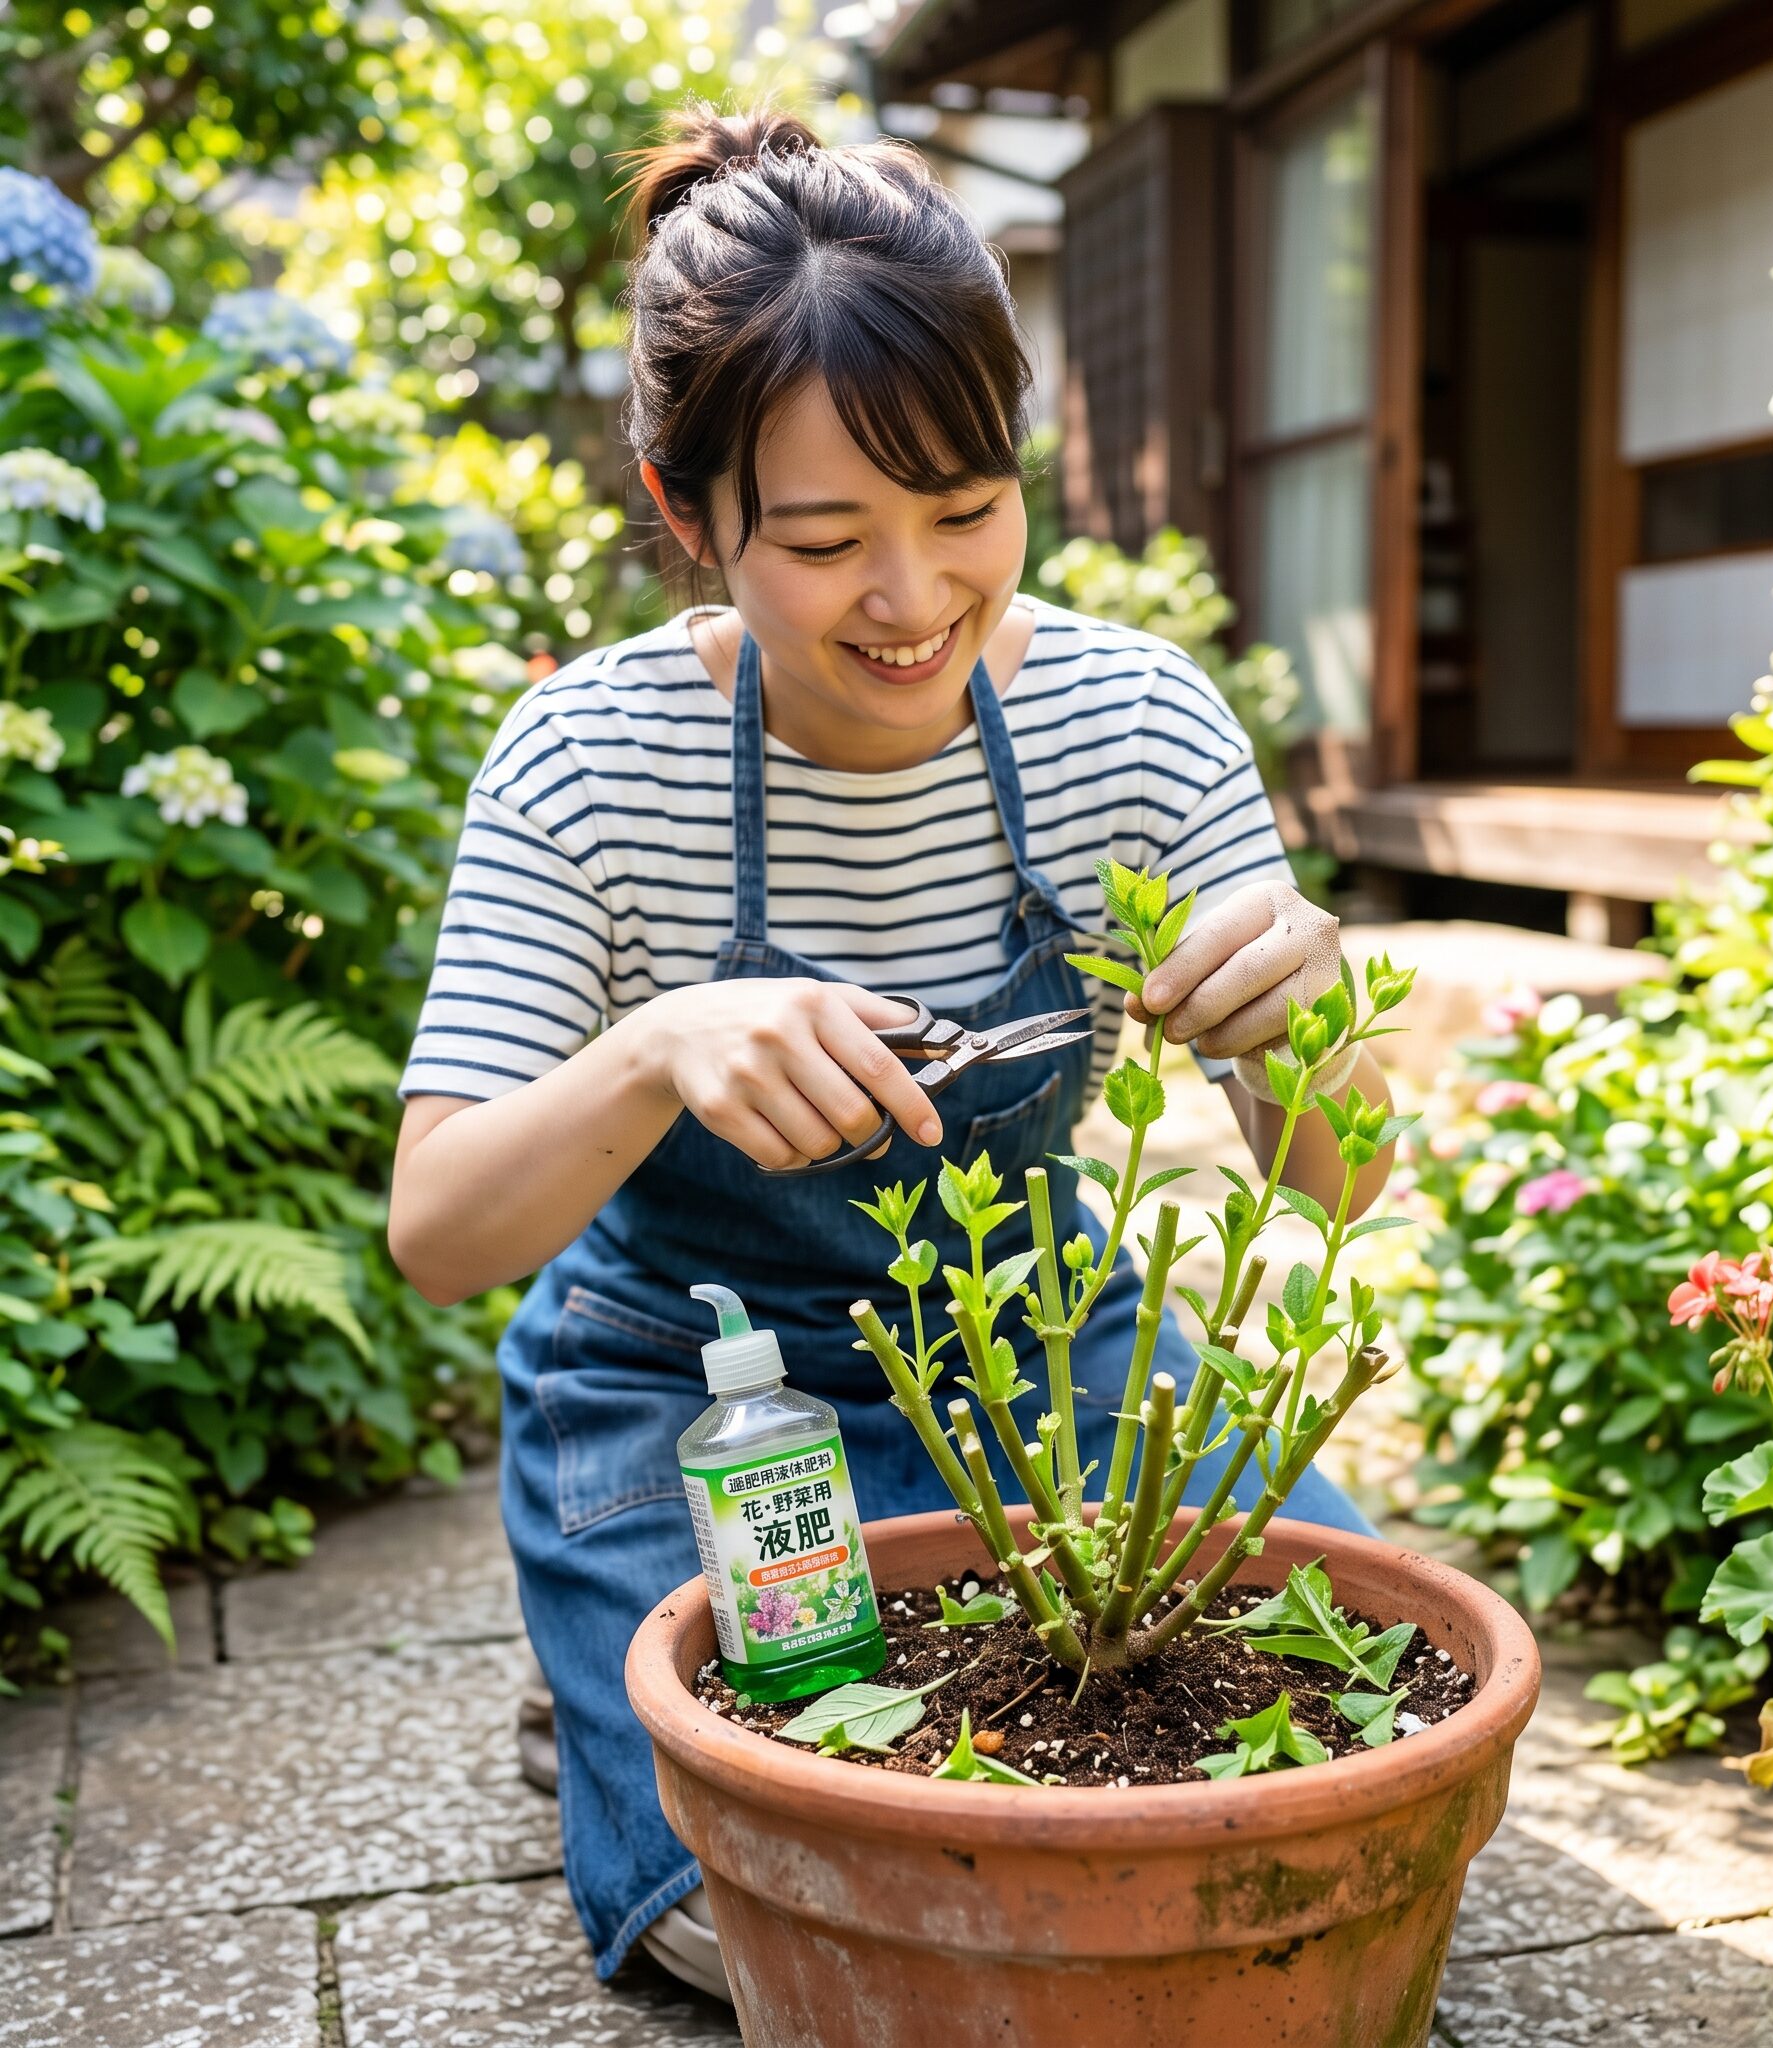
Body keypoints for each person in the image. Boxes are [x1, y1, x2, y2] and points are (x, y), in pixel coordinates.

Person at [387, 105, 1392, 2002]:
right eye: (829, 539)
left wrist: (1310, 1038)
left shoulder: (1130, 728)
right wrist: (656, 1047)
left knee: (1350, 1739)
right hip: (688, 1388)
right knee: (785, 1913)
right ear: (690, 514)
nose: (916, 600)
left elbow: (1336, 1184)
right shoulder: (593, 763)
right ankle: (612, 1656)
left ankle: (635, 1677)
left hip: (1048, 1347)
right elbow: (439, 1231)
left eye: (967, 510)